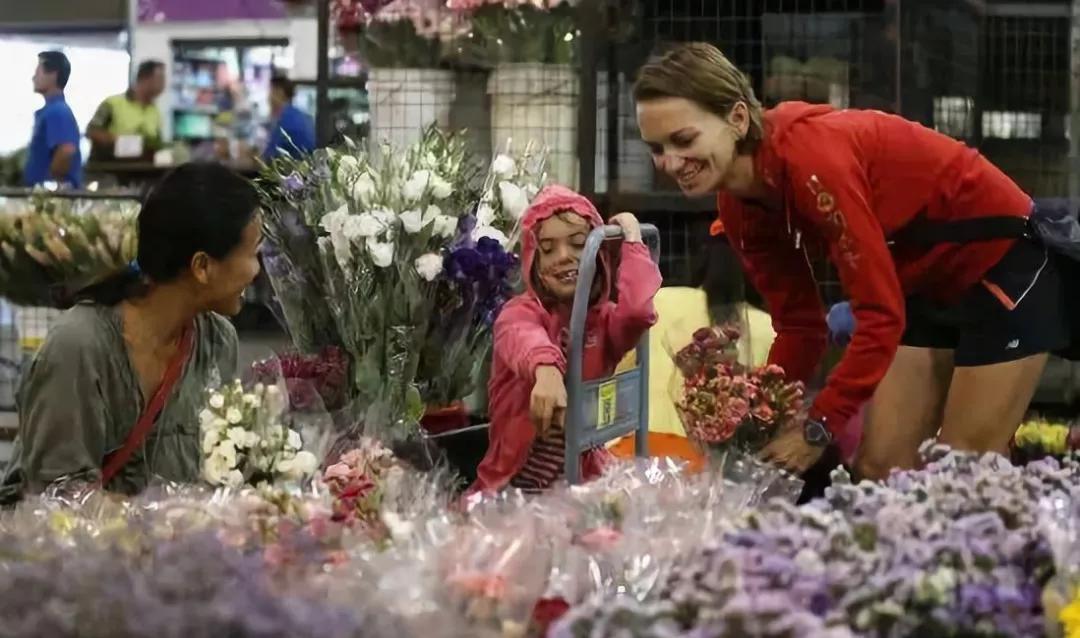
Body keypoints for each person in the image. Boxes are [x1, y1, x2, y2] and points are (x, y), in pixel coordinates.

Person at [633, 42, 1068, 481]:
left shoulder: (811, 162)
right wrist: (759, 413)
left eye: (684, 140)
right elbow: (800, 326)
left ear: (738, 118)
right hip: (922, 282)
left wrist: (819, 426)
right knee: (879, 469)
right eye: (656, 148)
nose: (670, 162)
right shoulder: (738, 206)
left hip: (1000, 266)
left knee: (961, 473)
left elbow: (880, 314)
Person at [0, 163, 263, 500]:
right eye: (253, 254)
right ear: (202, 266)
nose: (257, 271)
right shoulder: (78, 348)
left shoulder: (218, 342)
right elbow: (54, 498)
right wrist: (159, 519)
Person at [469, 185, 662, 493]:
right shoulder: (520, 312)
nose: (563, 257)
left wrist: (632, 241)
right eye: (547, 249)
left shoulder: (605, 322)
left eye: (578, 244)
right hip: (511, 489)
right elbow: (521, 336)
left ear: (598, 255)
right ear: (534, 262)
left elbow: (639, 311)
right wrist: (545, 371)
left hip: (579, 484)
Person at [86, 59, 166, 162]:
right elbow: (91, 131)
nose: (163, 84)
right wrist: (117, 140)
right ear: (144, 78)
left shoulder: (155, 112)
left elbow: (157, 144)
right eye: (160, 79)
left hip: (143, 168)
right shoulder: (112, 103)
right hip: (110, 167)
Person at [24, 51, 81, 188]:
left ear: (53, 75)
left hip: (51, 195)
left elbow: (66, 150)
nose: (33, 77)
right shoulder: (51, 110)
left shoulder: (58, 111)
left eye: (38, 72)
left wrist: (49, 186)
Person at [263, 75, 316, 161]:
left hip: (292, 167)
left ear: (279, 92)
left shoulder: (286, 120)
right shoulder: (301, 116)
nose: (268, 98)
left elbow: (269, 156)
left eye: (270, 91)